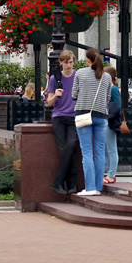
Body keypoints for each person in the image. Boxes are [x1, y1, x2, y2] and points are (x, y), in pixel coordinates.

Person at [71, 47, 112, 196]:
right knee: (100, 152)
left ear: (88, 59)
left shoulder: (80, 73)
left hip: (83, 114)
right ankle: (98, 187)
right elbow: (108, 98)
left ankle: (89, 188)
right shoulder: (106, 76)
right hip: (101, 116)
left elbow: (74, 95)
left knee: (87, 151)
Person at [47, 51, 78, 195]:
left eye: (71, 62)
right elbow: (49, 102)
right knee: (64, 150)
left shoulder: (78, 76)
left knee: (70, 146)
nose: (68, 65)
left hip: (74, 116)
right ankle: (72, 185)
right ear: (61, 63)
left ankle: (57, 182)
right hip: (59, 116)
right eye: (66, 62)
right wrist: (55, 96)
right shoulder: (54, 78)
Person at [104, 66, 122, 185]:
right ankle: (108, 171)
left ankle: (111, 174)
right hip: (106, 119)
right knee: (106, 148)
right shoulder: (108, 87)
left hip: (111, 121)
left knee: (111, 148)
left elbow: (118, 105)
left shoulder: (113, 88)